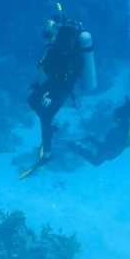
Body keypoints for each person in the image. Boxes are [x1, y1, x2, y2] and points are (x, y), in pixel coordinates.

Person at [20, 11, 96, 177]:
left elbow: (70, 70)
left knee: (46, 115)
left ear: (56, 27)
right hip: (55, 82)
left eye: (49, 25)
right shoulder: (59, 42)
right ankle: (51, 128)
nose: (46, 29)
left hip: (62, 86)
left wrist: (51, 92)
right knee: (32, 100)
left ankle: (47, 153)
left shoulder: (64, 43)